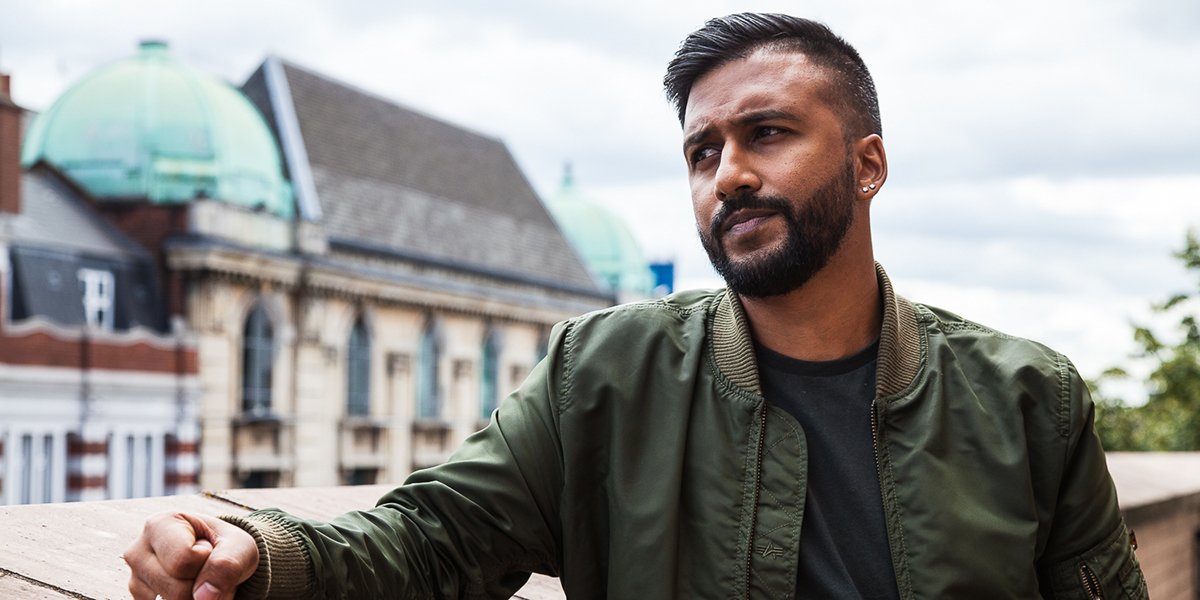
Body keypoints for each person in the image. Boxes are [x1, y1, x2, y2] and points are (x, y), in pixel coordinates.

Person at [124, 13, 1147, 600]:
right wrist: (259, 550)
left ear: (869, 163)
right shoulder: (603, 375)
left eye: (769, 134)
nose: (728, 174)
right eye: (703, 151)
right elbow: (431, 538)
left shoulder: (1027, 400)